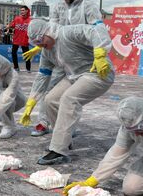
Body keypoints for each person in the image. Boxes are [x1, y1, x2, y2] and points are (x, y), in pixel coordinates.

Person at [20, 18, 114, 165]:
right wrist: (31, 101)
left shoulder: (67, 33)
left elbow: (95, 31)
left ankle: (59, 150)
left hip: (98, 73)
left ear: (48, 32)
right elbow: (43, 75)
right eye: (36, 43)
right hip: (74, 76)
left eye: (41, 40)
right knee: (50, 99)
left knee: (69, 98)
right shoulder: (47, 51)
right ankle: (65, 139)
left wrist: (100, 54)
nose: (41, 45)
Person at [24, 0, 104, 138]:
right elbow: (49, 28)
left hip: (80, 55)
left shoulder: (87, 6)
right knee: (50, 91)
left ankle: (68, 127)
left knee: (71, 95)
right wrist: (42, 47)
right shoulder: (58, 7)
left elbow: (97, 29)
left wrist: (100, 51)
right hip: (56, 50)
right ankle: (44, 121)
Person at [7, 5, 31, 72]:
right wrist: (6, 27)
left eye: (23, 10)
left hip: (25, 39)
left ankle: (28, 68)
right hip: (16, 39)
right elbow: (11, 25)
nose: (22, 12)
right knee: (13, 53)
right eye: (21, 11)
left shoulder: (30, 20)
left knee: (26, 54)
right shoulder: (17, 18)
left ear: (27, 11)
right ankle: (16, 67)